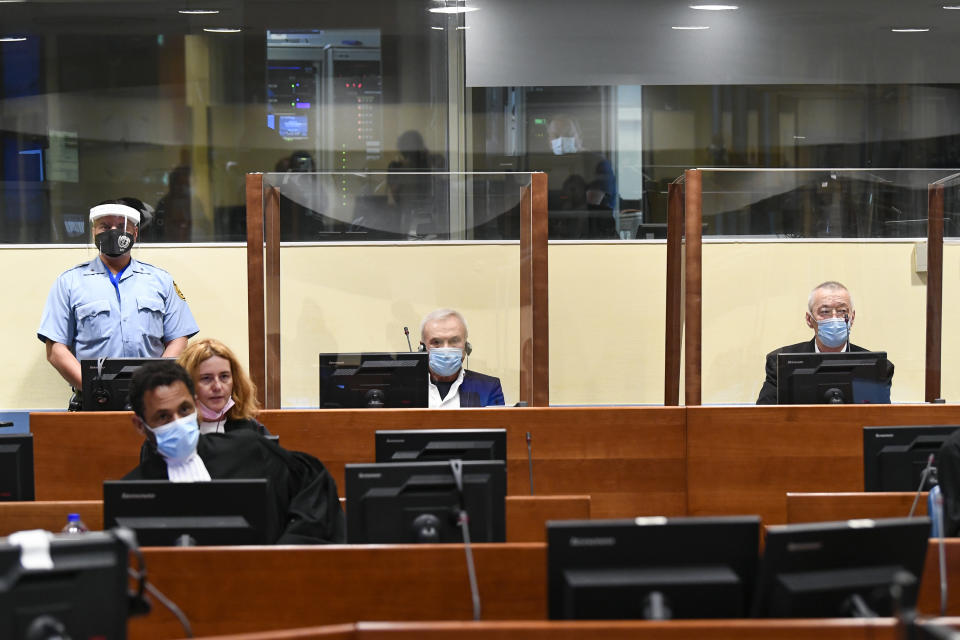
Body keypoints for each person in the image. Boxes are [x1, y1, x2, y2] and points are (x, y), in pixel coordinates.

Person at [124, 359, 344, 544]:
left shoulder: (249, 449)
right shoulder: (131, 492)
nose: (178, 423)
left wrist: (286, 552)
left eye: (185, 409)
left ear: (195, 404)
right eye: (163, 417)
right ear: (140, 425)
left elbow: (315, 486)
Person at [37, 198, 199, 394]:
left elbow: (178, 340)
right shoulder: (69, 282)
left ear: (135, 233)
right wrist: (95, 389)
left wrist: (156, 384)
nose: (113, 232)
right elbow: (55, 350)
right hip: (92, 399)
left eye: (121, 226)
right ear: (94, 232)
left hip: (153, 397)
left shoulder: (161, 281)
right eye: (104, 226)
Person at [755, 281, 894, 404]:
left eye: (842, 311)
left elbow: (880, 421)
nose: (834, 318)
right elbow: (763, 417)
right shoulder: (780, 362)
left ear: (852, 317)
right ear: (809, 320)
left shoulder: (877, 368)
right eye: (825, 311)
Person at [177, 338, 269, 436]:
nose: (217, 387)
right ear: (187, 384)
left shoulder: (252, 429)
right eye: (206, 378)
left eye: (224, 376)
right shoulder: (173, 433)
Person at [420, 308, 504, 408]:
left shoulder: (489, 387)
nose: (446, 351)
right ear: (422, 348)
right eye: (436, 342)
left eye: (454, 341)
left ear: (466, 347)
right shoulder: (402, 387)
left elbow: (499, 423)